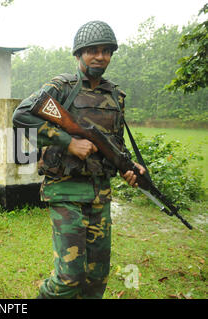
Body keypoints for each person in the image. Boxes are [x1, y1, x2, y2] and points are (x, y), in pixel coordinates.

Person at [12, 21, 145, 299]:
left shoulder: (114, 96)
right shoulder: (61, 87)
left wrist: (129, 167)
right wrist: (68, 142)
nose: (100, 56)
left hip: (100, 195)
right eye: (92, 50)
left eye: (107, 51)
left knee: (97, 278)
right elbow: (21, 116)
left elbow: (115, 142)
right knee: (69, 279)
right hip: (65, 190)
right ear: (78, 54)